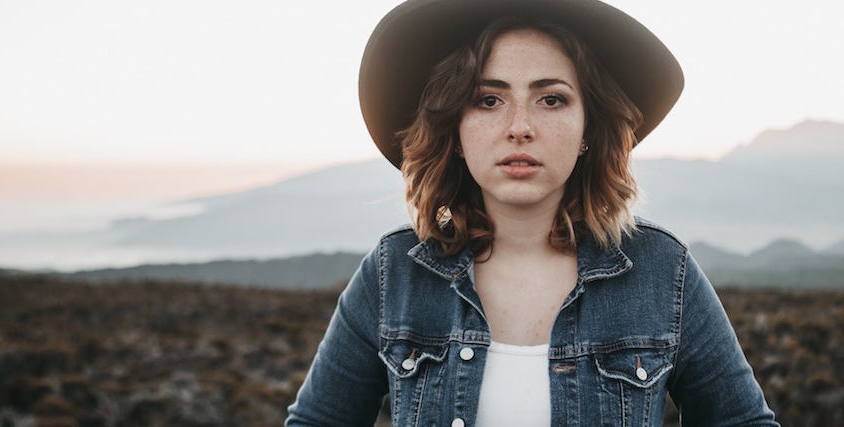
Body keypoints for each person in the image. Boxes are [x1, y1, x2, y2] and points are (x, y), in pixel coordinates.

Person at [287, 0, 777, 425]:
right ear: (454, 129)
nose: (519, 127)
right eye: (488, 99)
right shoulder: (396, 272)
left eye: (550, 99)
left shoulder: (661, 272)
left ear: (588, 128)